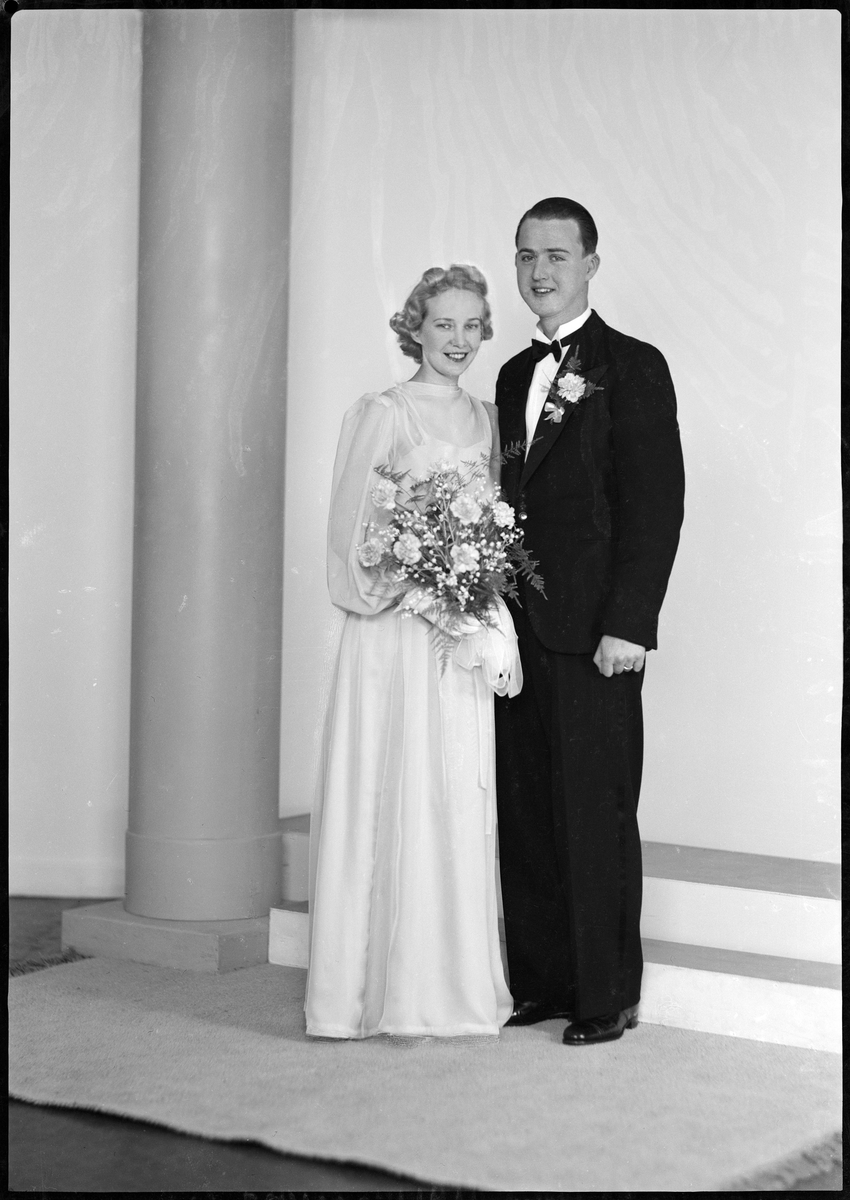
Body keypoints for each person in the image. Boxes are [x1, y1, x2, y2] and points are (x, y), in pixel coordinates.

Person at [305, 264, 515, 1039]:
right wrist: (418, 575)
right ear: (415, 329)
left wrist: (472, 586)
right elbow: (351, 535)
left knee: (451, 788)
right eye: (443, 324)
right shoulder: (382, 412)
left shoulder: (490, 419)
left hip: (456, 636)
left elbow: (492, 522)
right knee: (387, 783)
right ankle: (362, 994)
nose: (458, 340)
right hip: (392, 635)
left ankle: (443, 985)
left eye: (471, 326)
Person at [494, 197, 685, 1045]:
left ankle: (606, 995)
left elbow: (655, 505)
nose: (539, 272)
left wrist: (629, 624)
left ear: (591, 265)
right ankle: (542, 984)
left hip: (596, 633)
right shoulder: (510, 375)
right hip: (516, 633)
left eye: (557, 256)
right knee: (529, 811)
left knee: (596, 811)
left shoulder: (632, 365)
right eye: (526, 256)